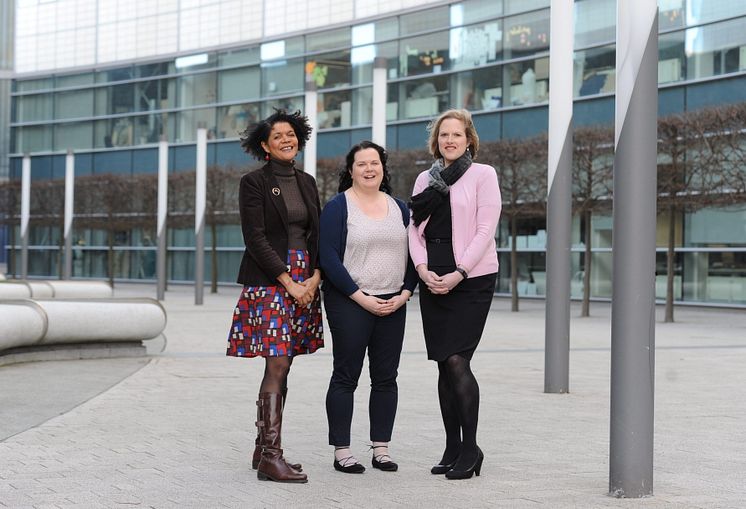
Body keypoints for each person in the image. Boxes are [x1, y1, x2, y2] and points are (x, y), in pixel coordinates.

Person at [226, 109, 324, 484]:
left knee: (285, 363)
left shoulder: (308, 182)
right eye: (277, 136)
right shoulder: (253, 183)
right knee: (277, 363)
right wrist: (290, 282)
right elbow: (256, 239)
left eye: (291, 134)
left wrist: (314, 277)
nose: (286, 139)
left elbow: (316, 236)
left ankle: (261, 448)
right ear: (264, 146)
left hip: (305, 280)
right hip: (272, 281)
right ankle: (271, 455)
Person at [408, 109, 501, 480]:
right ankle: (451, 445)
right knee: (443, 364)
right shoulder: (423, 179)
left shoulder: (483, 175)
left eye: (456, 135)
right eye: (444, 135)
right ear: (436, 141)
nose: (449, 140)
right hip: (433, 278)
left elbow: (485, 229)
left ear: (469, 140)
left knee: (457, 361)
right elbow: (413, 231)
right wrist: (421, 271)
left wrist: (460, 272)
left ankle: (471, 448)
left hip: (472, 279)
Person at [320, 141, 417, 474]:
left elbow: (415, 256)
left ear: (383, 168)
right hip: (350, 301)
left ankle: (381, 448)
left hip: (394, 302)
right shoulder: (338, 207)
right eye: (361, 164)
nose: (369, 169)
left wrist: (405, 294)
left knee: (386, 378)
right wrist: (361, 297)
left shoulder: (401, 209)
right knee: (346, 376)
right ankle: (342, 450)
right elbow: (328, 258)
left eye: (374, 163)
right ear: (351, 171)